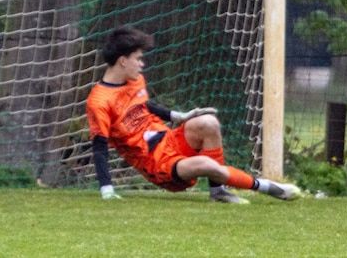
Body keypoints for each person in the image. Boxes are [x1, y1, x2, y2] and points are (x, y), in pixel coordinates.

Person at [87, 25, 301, 204]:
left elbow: (142, 106)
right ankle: (268, 187)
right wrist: (106, 189)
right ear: (123, 61)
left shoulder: (135, 81)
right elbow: (99, 147)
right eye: (138, 58)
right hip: (156, 163)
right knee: (206, 165)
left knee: (208, 122)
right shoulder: (99, 101)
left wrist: (178, 116)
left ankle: (218, 192)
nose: (142, 64)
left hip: (169, 140)